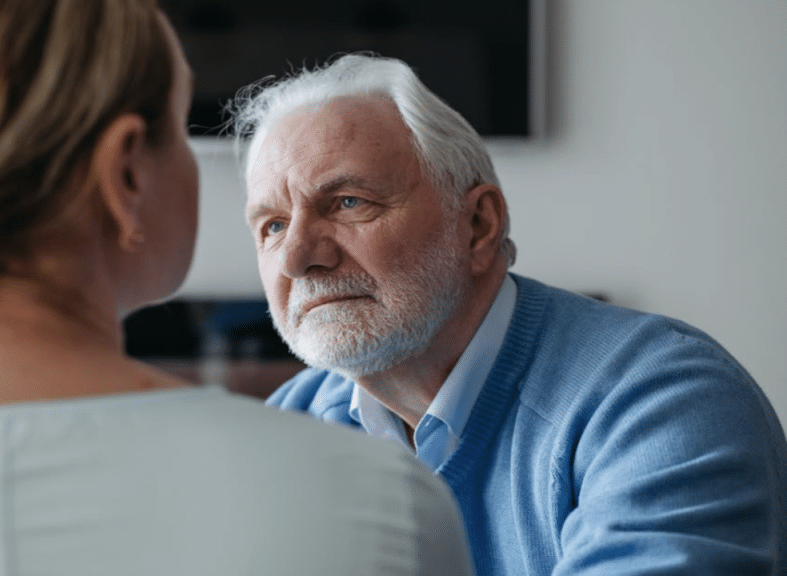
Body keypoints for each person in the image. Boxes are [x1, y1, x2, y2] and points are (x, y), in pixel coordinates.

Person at [0, 5, 475, 575]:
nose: (295, 252)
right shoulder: (376, 504)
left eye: (348, 203)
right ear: (126, 173)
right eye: (182, 125)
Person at [228, 53, 787, 575]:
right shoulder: (293, 426)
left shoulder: (662, 403)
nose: (297, 258)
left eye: (349, 202)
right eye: (272, 226)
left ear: (478, 225)